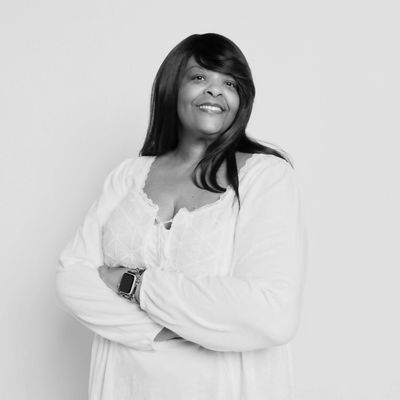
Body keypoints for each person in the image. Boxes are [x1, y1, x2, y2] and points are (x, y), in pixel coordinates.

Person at [56, 33, 306, 400]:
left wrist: (135, 285)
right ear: (173, 87)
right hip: (125, 385)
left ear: (242, 100)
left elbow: (272, 314)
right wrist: (165, 329)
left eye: (230, 83)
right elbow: (72, 279)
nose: (216, 91)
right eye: (200, 77)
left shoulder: (265, 176)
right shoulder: (129, 174)